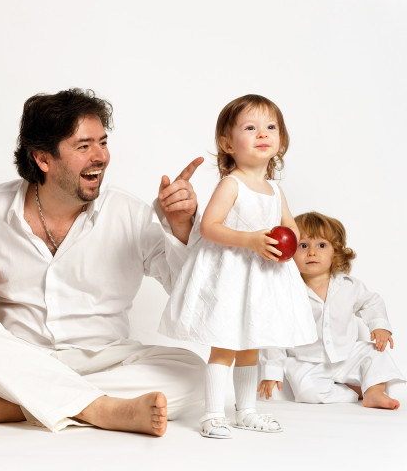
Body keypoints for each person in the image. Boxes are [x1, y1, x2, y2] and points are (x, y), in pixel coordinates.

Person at [0, 88, 206, 437]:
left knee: (194, 369)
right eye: (83, 146)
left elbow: (189, 293)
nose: (100, 156)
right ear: (43, 160)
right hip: (16, 358)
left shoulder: (129, 213)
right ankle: (102, 409)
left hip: (105, 358)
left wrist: (181, 228)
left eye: (102, 142)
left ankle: (13, 406)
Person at [158, 94, 318, 439]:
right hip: (232, 277)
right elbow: (209, 227)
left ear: (281, 139)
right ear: (227, 143)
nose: (263, 133)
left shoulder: (275, 190)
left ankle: (245, 411)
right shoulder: (232, 183)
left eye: (270, 127)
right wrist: (251, 240)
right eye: (250, 127)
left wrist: (289, 239)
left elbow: (291, 226)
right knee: (225, 343)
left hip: (262, 279)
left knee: (252, 344)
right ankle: (213, 414)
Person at [259, 211, 404, 408]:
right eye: (303, 246)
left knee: (375, 353)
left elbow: (372, 302)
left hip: (345, 355)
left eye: (321, 245)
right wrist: (272, 372)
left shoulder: (348, 285)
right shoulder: (286, 293)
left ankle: (374, 391)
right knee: (308, 391)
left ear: (335, 251)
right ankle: (356, 392)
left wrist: (379, 326)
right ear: (290, 252)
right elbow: (275, 333)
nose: (312, 252)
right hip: (306, 361)